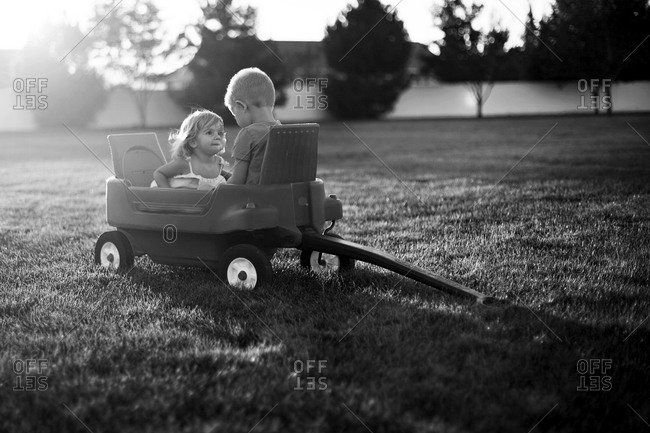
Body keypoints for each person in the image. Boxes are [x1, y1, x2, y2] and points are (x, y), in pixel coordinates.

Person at [224, 67, 280, 184]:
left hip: (254, 199)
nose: (235, 119)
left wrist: (216, 187)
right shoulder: (284, 131)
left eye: (234, 113)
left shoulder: (248, 134)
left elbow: (237, 181)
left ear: (241, 106)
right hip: (283, 195)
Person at [152, 110, 230, 190]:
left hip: (202, 200)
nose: (217, 137)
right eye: (209, 133)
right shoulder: (185, 163)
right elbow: (159, 173)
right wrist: (168, 194)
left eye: (220, 133)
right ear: (193, 142)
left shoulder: (218, 163)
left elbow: (228, 177)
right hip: (178, 197)